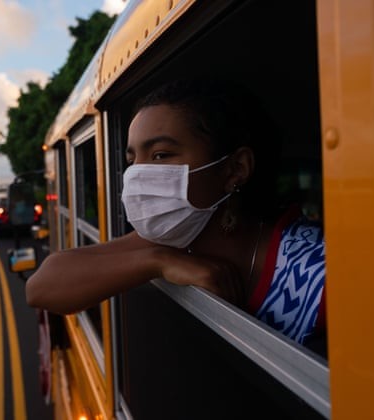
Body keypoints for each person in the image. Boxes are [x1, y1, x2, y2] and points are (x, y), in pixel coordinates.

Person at [25, 80, 326, 346]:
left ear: (235, 169)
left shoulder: (317, 274)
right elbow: (42, 286)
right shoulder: (174, 238)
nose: (138, 174)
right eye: (133, 160)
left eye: (160, 155)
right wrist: (156, 261)